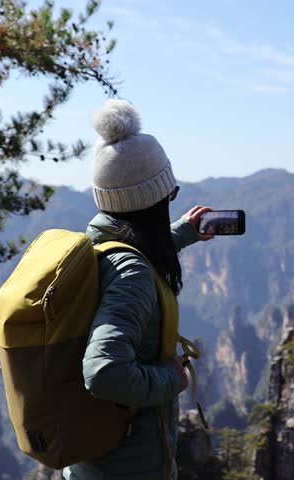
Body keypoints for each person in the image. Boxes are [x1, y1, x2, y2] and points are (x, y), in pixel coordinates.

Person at [64, 99, 213, 480]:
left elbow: (131, 253)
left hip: (90, 467)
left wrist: (181, 233)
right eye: (169, 192)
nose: (170, 198)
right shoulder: (132, 272)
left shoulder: (96, 246)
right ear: (153, 200)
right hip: (129, 469)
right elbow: (103, 373)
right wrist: (172, 380)